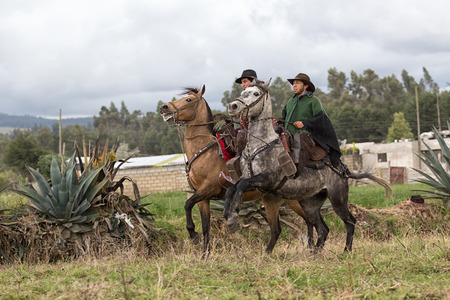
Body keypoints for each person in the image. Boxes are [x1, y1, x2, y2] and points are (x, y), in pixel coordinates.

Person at [280, 73, 341, 167]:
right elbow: (284, 118)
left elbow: (321, 119)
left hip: (307, 135)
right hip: (288, 135)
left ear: (306, 86)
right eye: (293, 83)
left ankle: (294, 169)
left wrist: (304, 123)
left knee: (298, 140)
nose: (294, 85)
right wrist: (278, 122)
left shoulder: (313, 100)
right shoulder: (290, 102)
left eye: (297, 83)